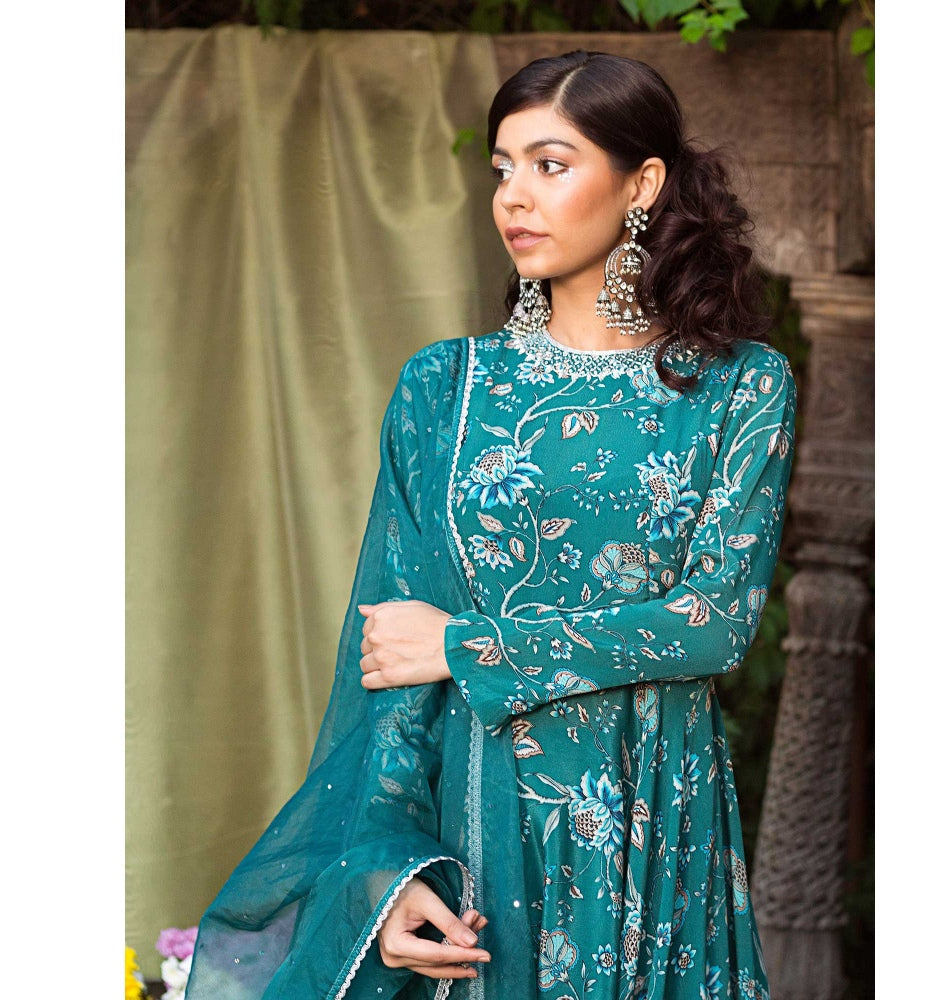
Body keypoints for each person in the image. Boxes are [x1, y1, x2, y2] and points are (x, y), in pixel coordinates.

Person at [186, 49, 796, 1000]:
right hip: (481, 821)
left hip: (655, 814)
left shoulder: (738, 387)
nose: (515, 195)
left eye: (551, 165)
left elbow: (713, 623)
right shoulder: (445, 388)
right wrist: (384, 876)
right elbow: (392, 661)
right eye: (503, 168)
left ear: (641, 184)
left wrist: (464, 645)